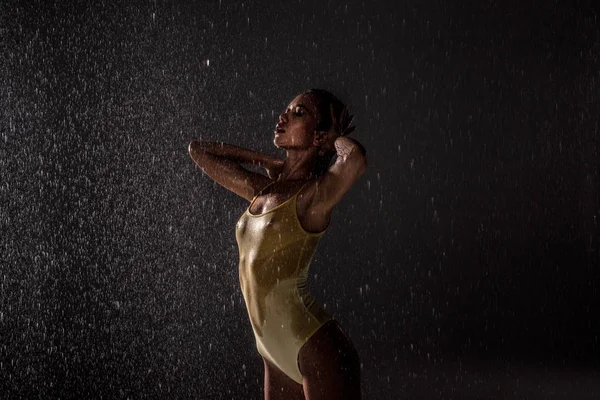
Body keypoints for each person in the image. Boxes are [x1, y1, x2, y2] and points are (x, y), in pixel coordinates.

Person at [188, 89, 367, 400]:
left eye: (299, 113)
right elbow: (199, 151)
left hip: (315, 344)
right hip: (272, 353)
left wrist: (334, 138)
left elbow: (355, 159)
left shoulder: (313, 197)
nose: (283, 117)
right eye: (287, 110)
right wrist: (267, 160)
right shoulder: (263, 189)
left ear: (317, 136)